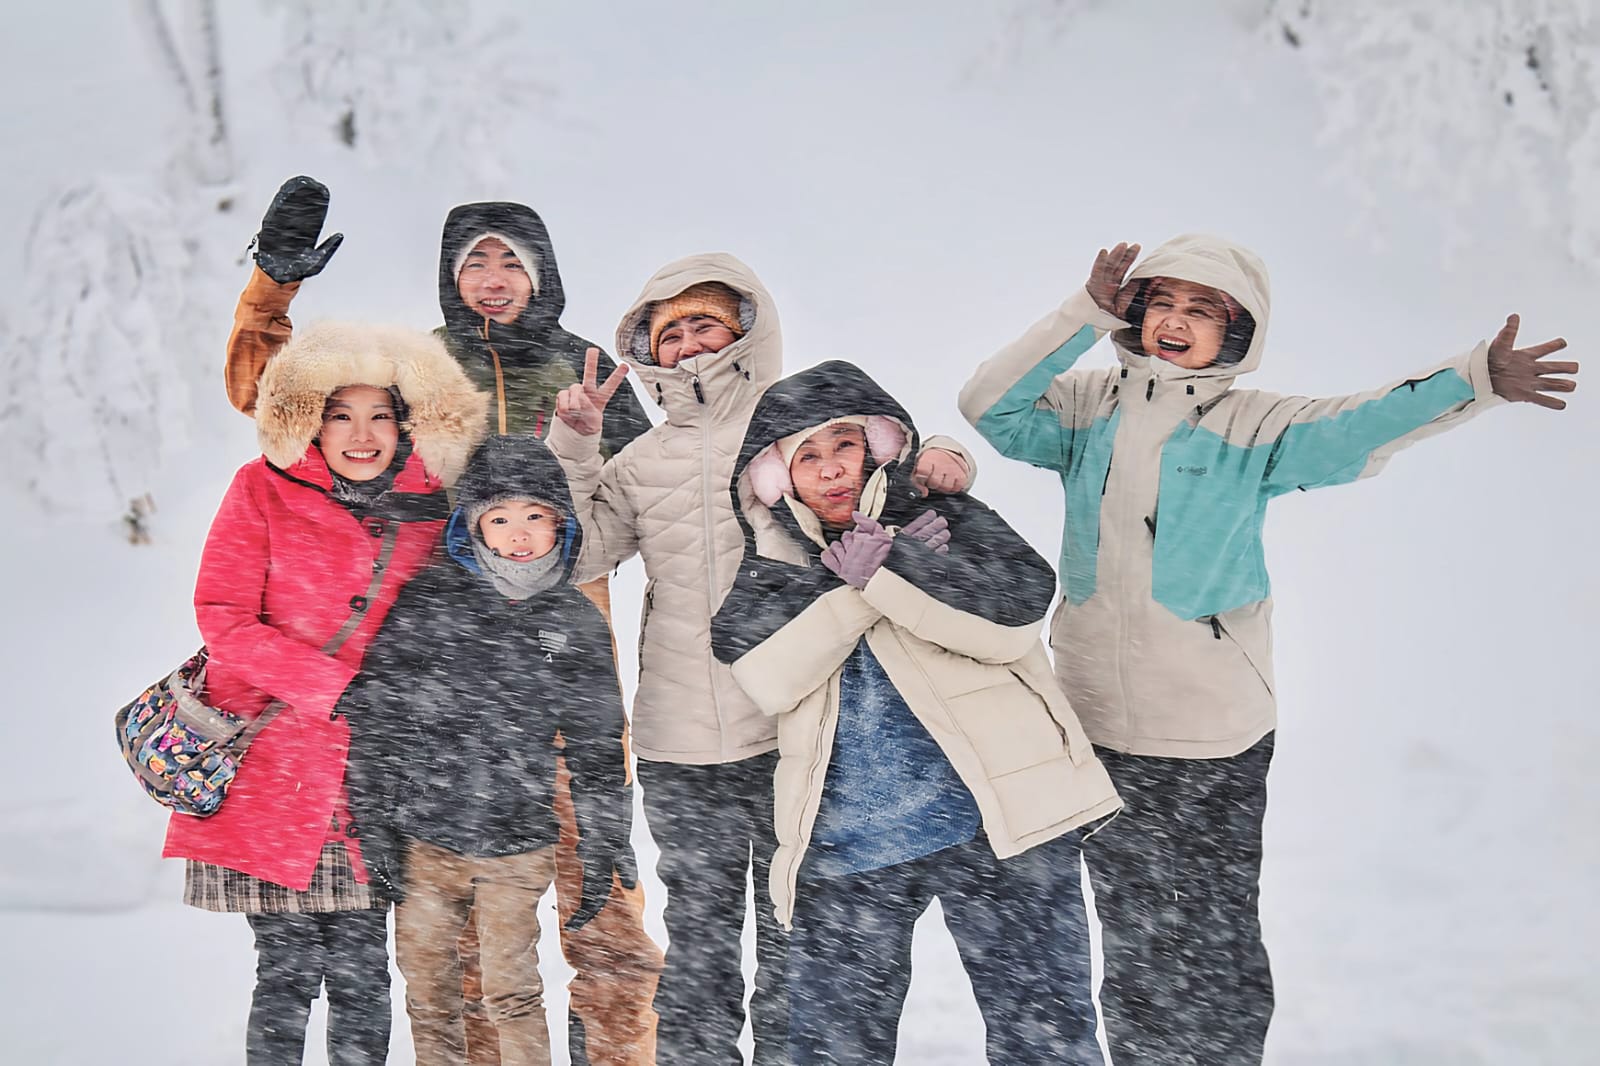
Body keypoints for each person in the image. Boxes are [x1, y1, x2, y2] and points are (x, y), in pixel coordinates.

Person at [957, 234, 1579, 1064]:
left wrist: (1475, 380)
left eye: (1203, 309)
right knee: (1135, 934)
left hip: (1215, 733)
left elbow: (1368, 421)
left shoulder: (1257, 426)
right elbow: (986, 404)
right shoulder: (1084, 410)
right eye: (1161, 303)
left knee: (1214, 939)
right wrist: (1084, 312)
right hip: (1100, 728)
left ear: (1237, 333)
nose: (1176, 321)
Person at [222, 177, 663, 1066]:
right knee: (452, 886)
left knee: (600, 880)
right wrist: (272, 289)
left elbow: (657, 491)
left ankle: (619, 1052)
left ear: (545, 274)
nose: (494, 277)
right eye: (475, 261)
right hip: (446, 637)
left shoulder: (583, 369)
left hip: (563, 626)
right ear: (447, 277)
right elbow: (278, 398)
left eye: (513, 260)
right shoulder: (418, 370)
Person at [547, 256, 975, 1064]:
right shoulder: (639, 462)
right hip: (680, 742)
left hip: (795, 731)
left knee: (794, 937)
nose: (686, 343)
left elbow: (884, 465)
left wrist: (948, 451)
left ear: (747, 330)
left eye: (703, 323)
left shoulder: (791, 435)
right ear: (649, 352)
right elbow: (575, 556)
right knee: (701, 944)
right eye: (667, 332)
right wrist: (573, 445)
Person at [707, 359, 1121, 1065]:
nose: (831, 468)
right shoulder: (771, 571)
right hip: (848, 850)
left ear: (876, 446)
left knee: (1046, 1043)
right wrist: (859, 584)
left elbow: (1008, 627)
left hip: (998, 828)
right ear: (778, 478)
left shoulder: (947, 520)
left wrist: (893, 565)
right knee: (830, 1053)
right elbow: (768, 677)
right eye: (806, 456)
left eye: (842, 444)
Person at [164, 321, 487, 1066]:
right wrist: (334, 688)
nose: (362, 433)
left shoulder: (434, 509)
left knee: (361, 970)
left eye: (381, 414)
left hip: (374, 778)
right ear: (311, 419)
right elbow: (225, 618)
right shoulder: (261, 489)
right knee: (284, 970)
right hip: (270, 769)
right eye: (341, 414)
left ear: (407, 424)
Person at [338, 434, 640, 1066]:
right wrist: (375, 824)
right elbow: (379, 719)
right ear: (472, 526)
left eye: (535, 515)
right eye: (498, 518)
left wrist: (605, 838)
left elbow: (596, 742)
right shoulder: (429, 602)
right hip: (425, 839)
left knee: (511, 991)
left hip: (517, 841)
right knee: (427, 993)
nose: (518, 533)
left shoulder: (572, 617)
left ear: (560, 521)